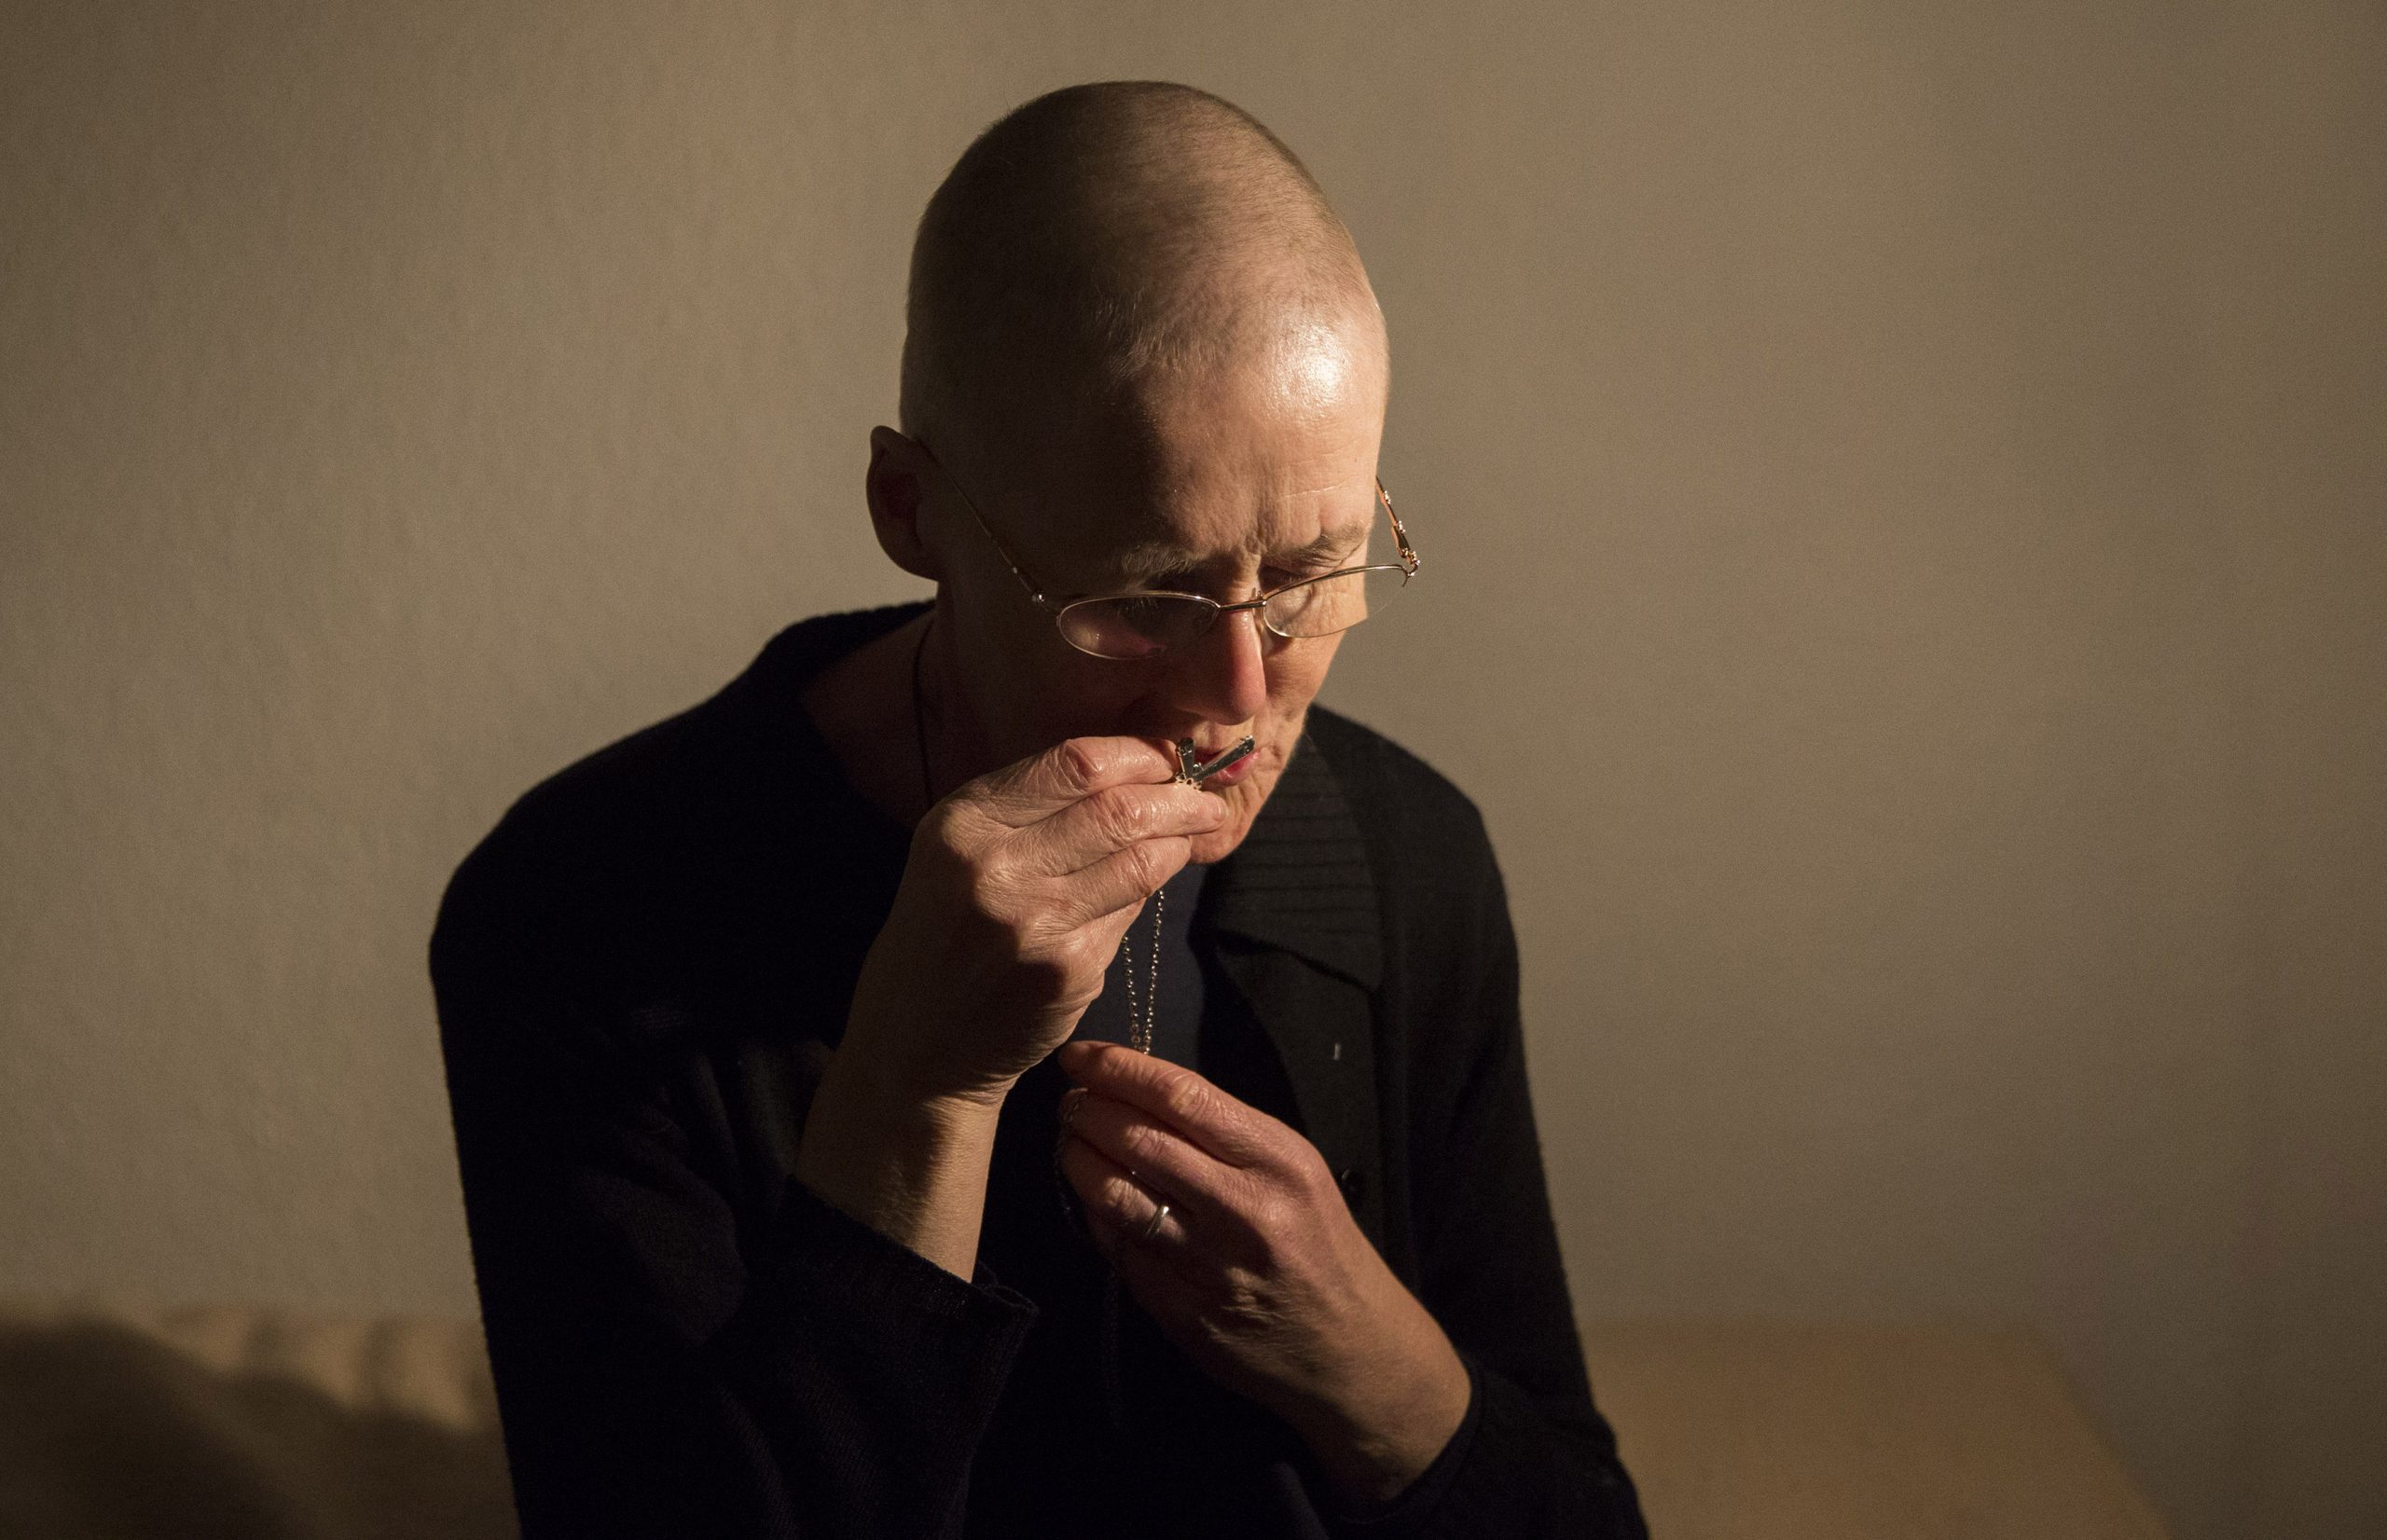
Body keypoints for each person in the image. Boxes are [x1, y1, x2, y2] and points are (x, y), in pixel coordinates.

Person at [430, 80, 1647, 1539]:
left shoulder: (1407, 861)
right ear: (911, 509)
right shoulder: (583, 905)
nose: (1241, 691)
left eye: (1318, 571)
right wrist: (916, 1097)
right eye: (1147, 595)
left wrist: (1373, 1362)